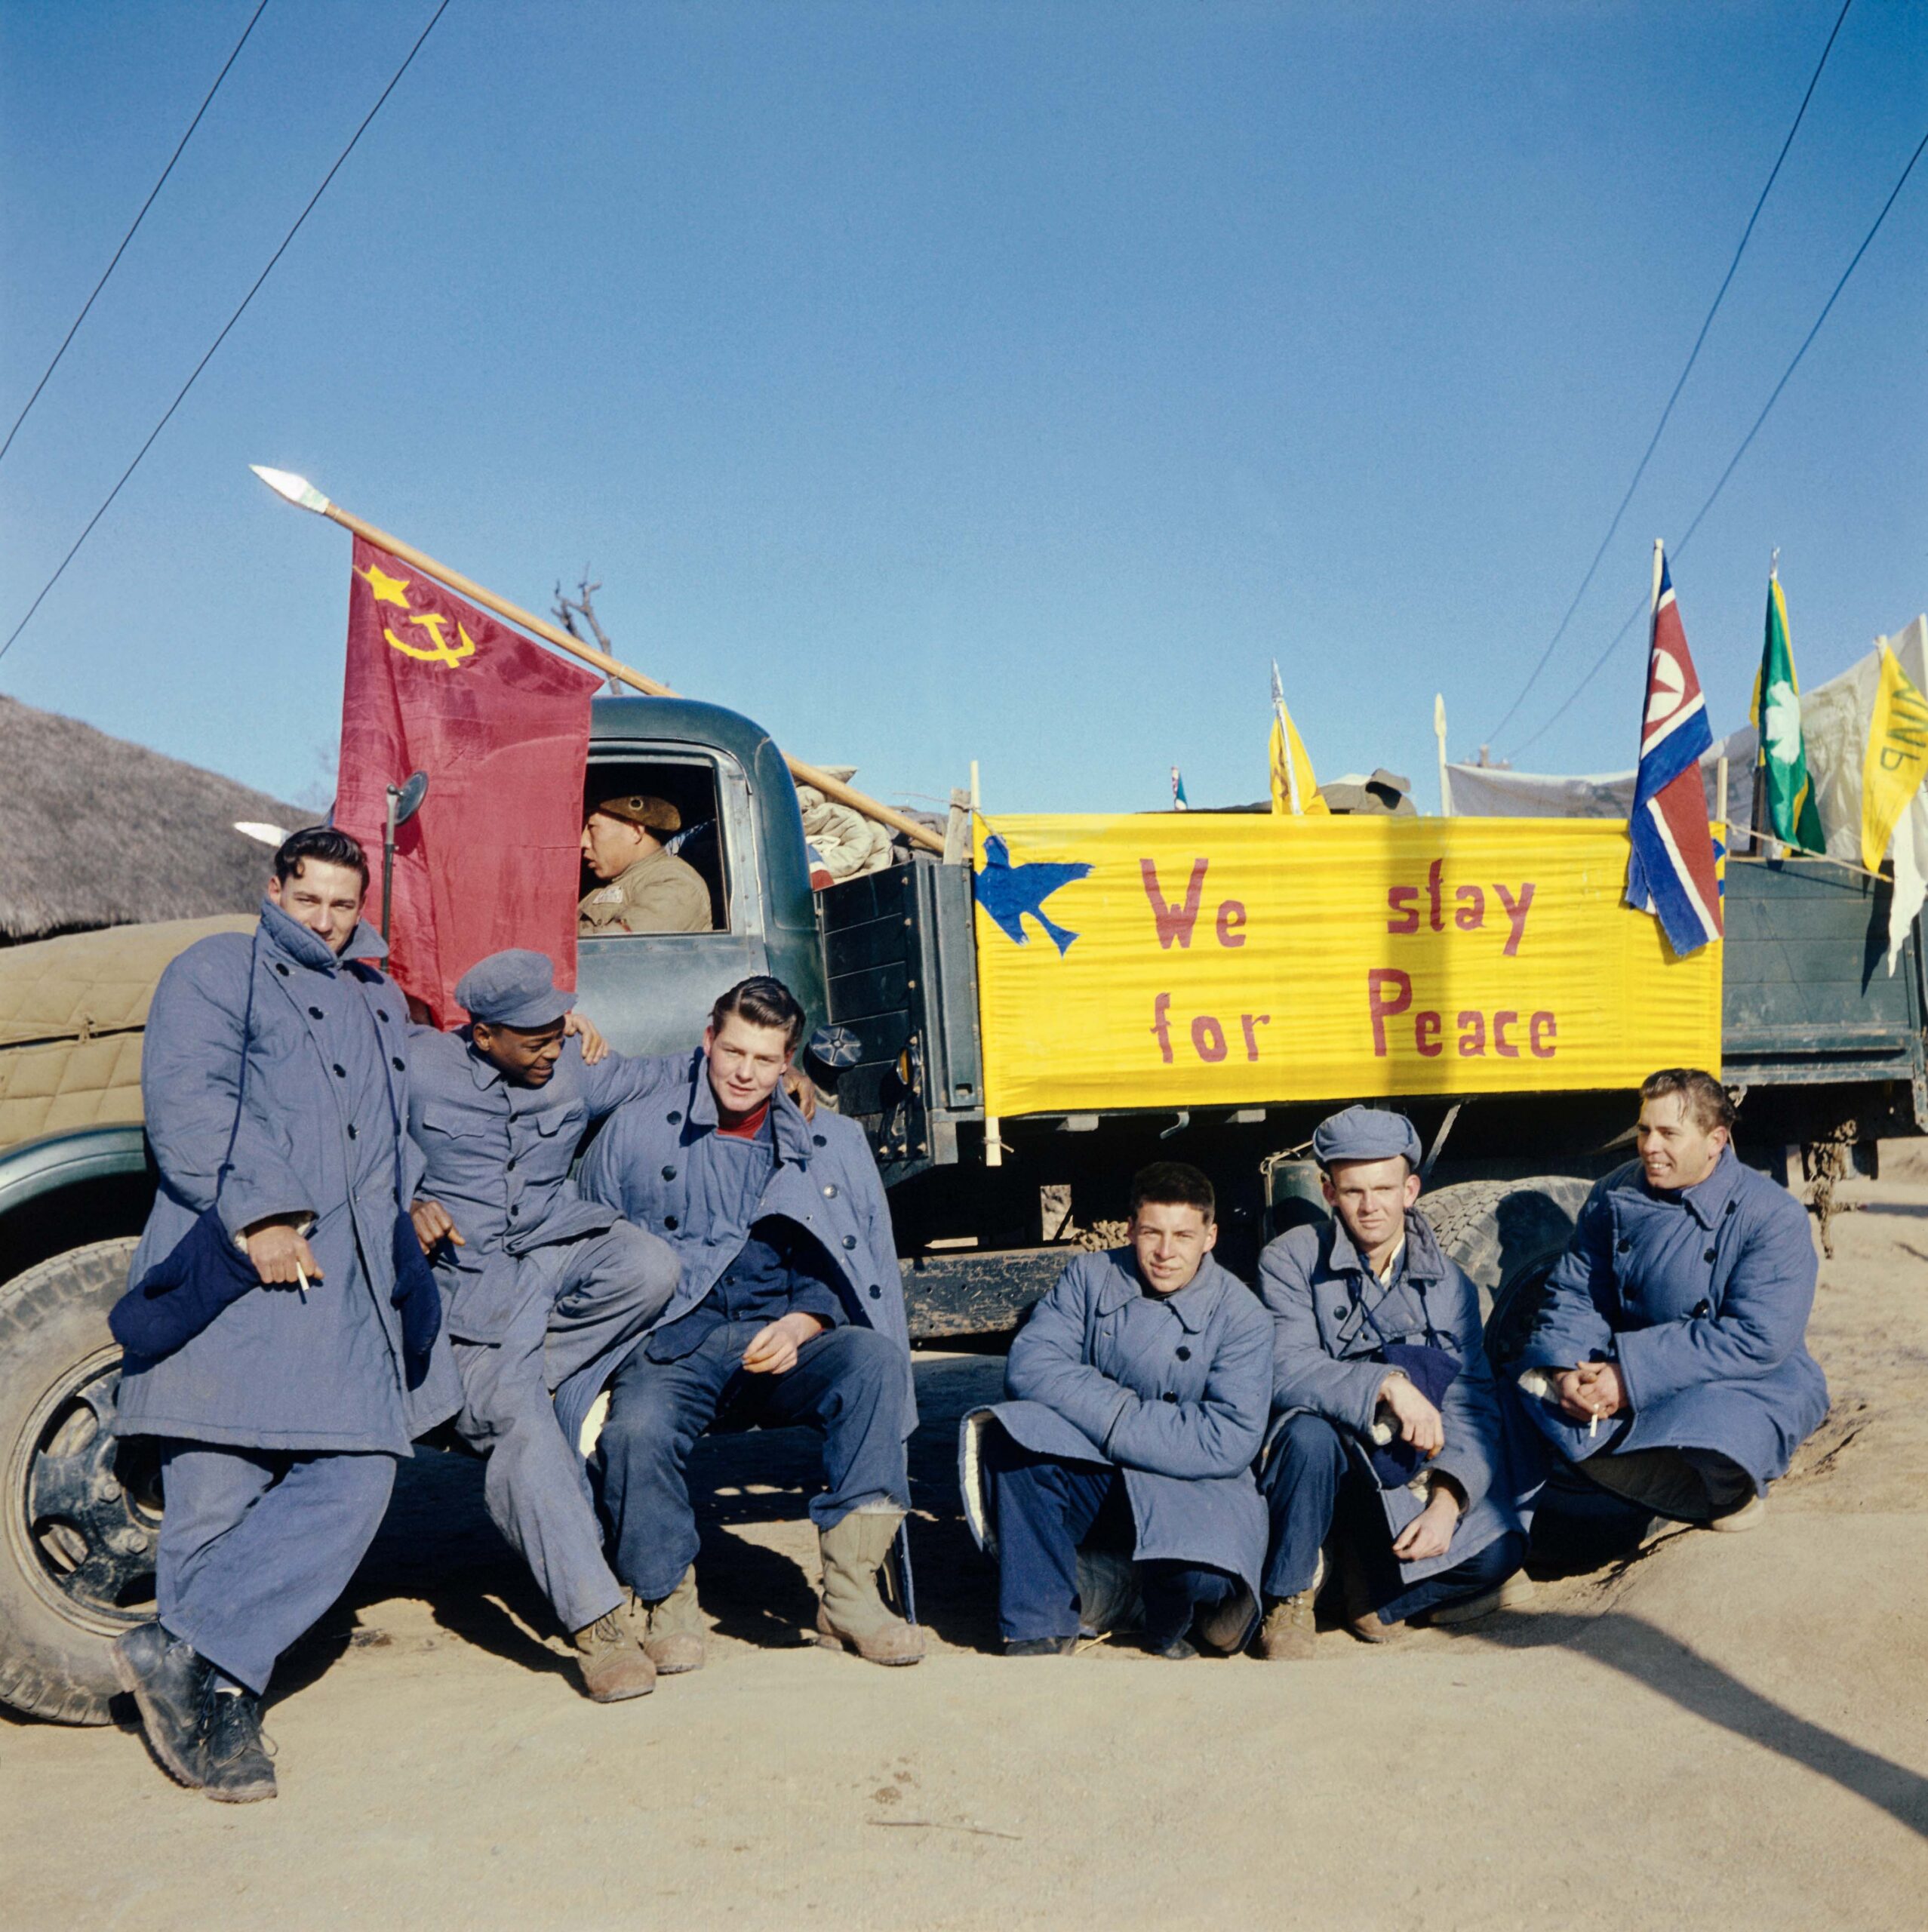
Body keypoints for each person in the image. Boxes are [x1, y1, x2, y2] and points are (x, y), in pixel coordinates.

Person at [111, 828, 460, 1803]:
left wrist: (420, 1193)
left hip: (340, 1297)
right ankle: (219, 1714)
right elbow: (187, 1100)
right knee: (214, 1496)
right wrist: (260, 1214)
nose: (326, 921)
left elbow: (393, 1126)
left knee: (357, 1473)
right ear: (274, 888)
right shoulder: (218, 968)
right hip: (235, 1274)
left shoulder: (375, 995)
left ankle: (177, 1651)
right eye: (309, 900)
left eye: (344, 905)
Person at [569, 976, 922, 1667]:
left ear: (786, 1064)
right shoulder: (637, 1128)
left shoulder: (826, 1139)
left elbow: (841, 1258)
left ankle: (849, 1595)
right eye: (732, 1051)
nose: (743, 1072)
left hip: (779, 1336)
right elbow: (590, 1243)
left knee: (874, 1363)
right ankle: (666, 1596)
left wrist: (803, 1323)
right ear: (707, 1042)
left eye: (764, 1060)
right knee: (636, 1431)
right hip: (671, 1341)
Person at [406, 950, 682, 1702]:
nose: (552, 1049)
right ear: (483, 1032)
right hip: (474, 1287)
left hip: (558, 1254)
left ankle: (520, 1376)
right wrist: (400, 1207)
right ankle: (596, 1622)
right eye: (534, 1039)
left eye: (558, 1030)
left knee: (649, 1264)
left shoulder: (573, 1061)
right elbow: (345, 1139)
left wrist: (773, 1069)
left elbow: (671, 1072)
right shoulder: (415, 1066)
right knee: (520, 1431)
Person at [964, 1162, 1272, 1660]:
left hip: (1190, 1488)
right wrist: (1118, 1418)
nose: (1165, 1253)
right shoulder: (1089, 1277)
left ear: (1210, 1237)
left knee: (1197, 1582)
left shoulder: (1242, 1316)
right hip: (1103, 1477)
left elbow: (1228, 1438)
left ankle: (1122, 1595)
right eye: (1151, 1233)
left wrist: (1114, 1419)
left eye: (1182, 1236)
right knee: (1014, 1437)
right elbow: (1031, 1364)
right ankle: (1039, 1623)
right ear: (1130, 1229)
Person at [1254, 1107, 1531, 1659]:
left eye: (1383, 1188)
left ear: (1410, 1189)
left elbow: (1470, 1399)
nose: (1369, 1206)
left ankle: (1369, 1594)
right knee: (1305, 1434)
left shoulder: (1447, 1283)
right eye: (1353, 1191)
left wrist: (1448, 1500)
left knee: (1501, 1554)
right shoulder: (1288, 1260)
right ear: (1328, 1192)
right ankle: (1288, 1597)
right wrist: (1387, 1384)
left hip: (1403, 1474)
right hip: (1327, 1465)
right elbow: (1286, 1368)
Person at [1512, 1068, 1828, 1544]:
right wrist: (1564, 1371)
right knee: (1525, 1391)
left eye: (1668, 1134)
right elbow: (1577, 1294)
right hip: (1630, 1368)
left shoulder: (1771, 1215)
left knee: (1716, 1431)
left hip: (1741, 1379)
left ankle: (1727, 1492)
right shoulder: (1612, 1195)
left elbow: (1756, 1338)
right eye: (1644, 1131)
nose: (1649, 1147)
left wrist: (1629, 1377)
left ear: (1715, 1140)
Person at [578, 794, 712, 935]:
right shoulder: (602, 886)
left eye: (592, 827)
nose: (583, 843)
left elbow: (614, 949)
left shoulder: (676, 882)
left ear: (635, 831)